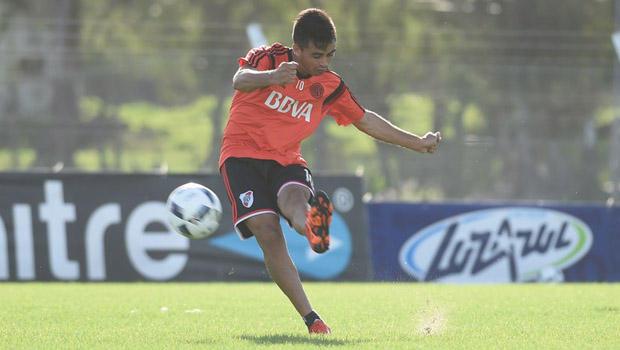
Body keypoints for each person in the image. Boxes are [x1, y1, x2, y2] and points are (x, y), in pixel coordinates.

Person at [219, 8, 441, 335]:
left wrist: (416, 142)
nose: (325, 62)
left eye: (331, 54)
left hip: (286, 158)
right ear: (297, 50)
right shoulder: (270, 58)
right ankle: (312, 319)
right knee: (268, 233)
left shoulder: (330, 85)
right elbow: (239, 79)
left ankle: (312, 226)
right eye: (317, 55)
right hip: (241, 157)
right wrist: (272, 77)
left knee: (296, 202)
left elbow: (364, 119)